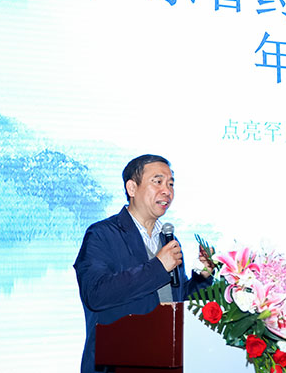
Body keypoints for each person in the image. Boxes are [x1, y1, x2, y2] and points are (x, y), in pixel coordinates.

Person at [74, 154, 213, 373]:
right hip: (117, 364)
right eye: (158, 182)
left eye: (171, 184)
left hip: (167, 361)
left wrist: (202, 277)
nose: (167, 191)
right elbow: (96, 294)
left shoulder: (169, 240)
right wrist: (158, 267)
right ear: (132, 188)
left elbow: (176, 300)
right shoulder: (101, 234)